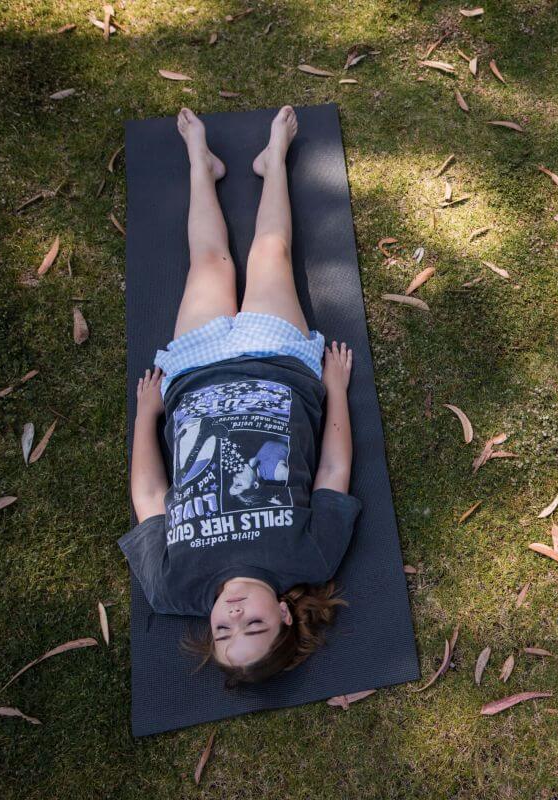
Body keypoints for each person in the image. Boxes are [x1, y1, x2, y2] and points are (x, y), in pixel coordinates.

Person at [120, 106, 362, 687]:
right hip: (279, 366)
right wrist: (333, 390)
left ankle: (201, 165)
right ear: (283, 614)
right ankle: (272, 160)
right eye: (253, 627)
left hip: (194, 374)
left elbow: (151, 494)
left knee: (210, 262)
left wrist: (146, 416)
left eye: (223, 633)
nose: (232, 618)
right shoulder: (311, 559)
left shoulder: (171, 587)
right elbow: (333, 468)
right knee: (268, 254)